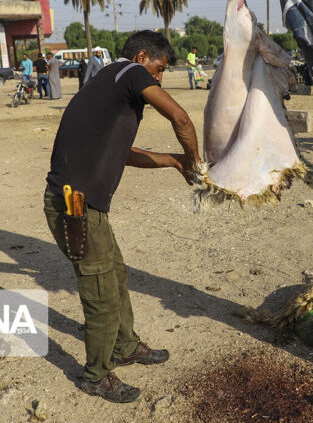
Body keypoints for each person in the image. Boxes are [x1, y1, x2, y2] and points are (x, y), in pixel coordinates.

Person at [43, 30, 200, 403]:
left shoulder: (107, 83)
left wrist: (174, 163)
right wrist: (196, 161)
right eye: (159, 69)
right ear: (142, 56)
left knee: (115, 273)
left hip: (86, 204)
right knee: (100, 293)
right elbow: (180, 117)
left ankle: (125, 345)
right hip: (75, 204)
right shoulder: (130, 72)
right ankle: (96, 376)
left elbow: (122, 151)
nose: (158, 79)